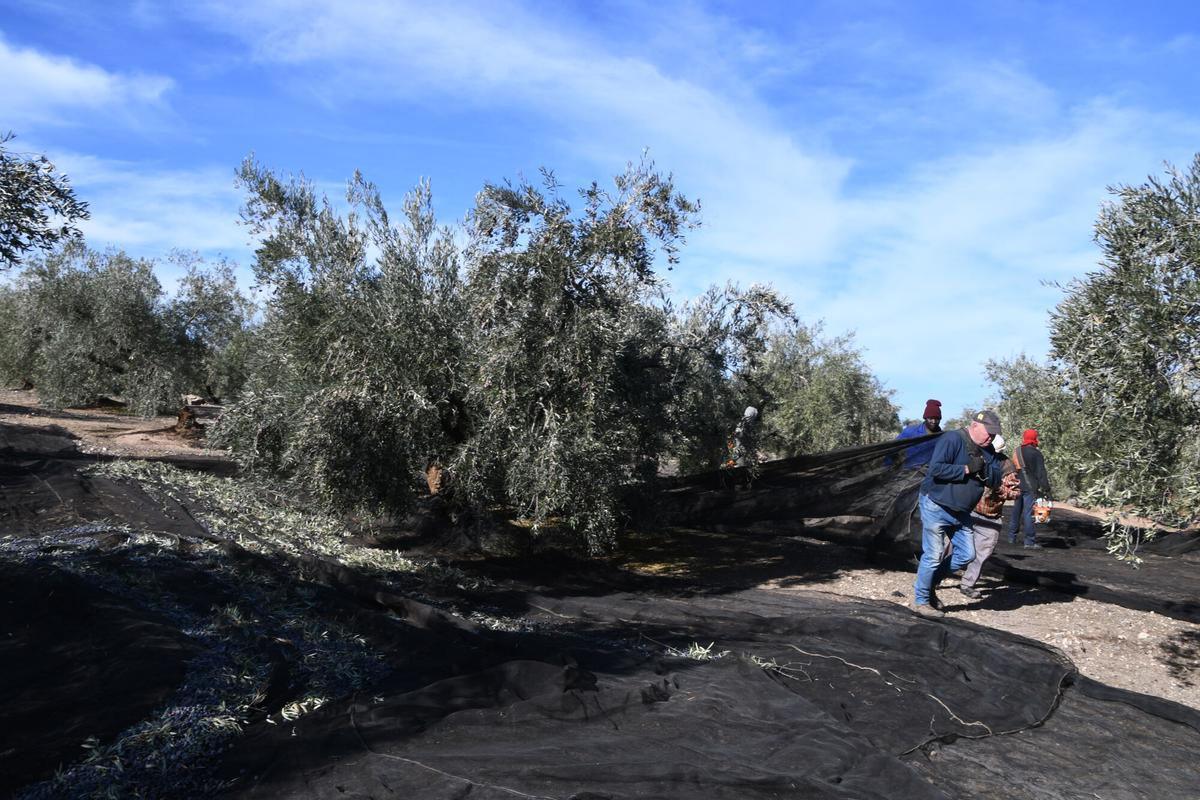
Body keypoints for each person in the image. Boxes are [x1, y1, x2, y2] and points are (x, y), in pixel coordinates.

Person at [912, 409, 1004, 618]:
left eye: (994, 434)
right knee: (934, 555)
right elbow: (936, 469)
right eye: (988, 432)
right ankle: (921, 601)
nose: (990, 437)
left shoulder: (988, 450)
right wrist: (966, 469)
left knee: (967, 554)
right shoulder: (952, 439)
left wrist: (985, 471)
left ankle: (929, 582)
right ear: (974, 426)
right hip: (936, 504)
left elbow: (996, 479)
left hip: (961, 511)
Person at [959, 435, 1022, 599]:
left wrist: (999, 488)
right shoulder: (974, 458)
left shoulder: (1006, 466)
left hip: (990, 516)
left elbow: (1015, 492)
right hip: (968, 509)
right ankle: (935, 577)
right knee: (949, 546)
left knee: (983, 552)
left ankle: (967, 584)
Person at [1009, 428, 1053, 548]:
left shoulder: (1017, 451)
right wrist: (1047, 489)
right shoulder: (1036, 453)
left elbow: (1013, 468)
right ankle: (1029, 541)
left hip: (1018, 485)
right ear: (1034, 438)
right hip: (1031, 487)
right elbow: (1041, 473)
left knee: (1016, 512)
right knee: (1028, 513)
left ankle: (1011, 537)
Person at [892, 399, 943, 468]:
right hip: (908, 474)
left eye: (937, 419)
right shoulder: (910, 432)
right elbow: (893, 449)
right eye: (931, 418)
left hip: (931, 475)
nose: (934, 421)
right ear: (925, 418)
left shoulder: (943, 437)